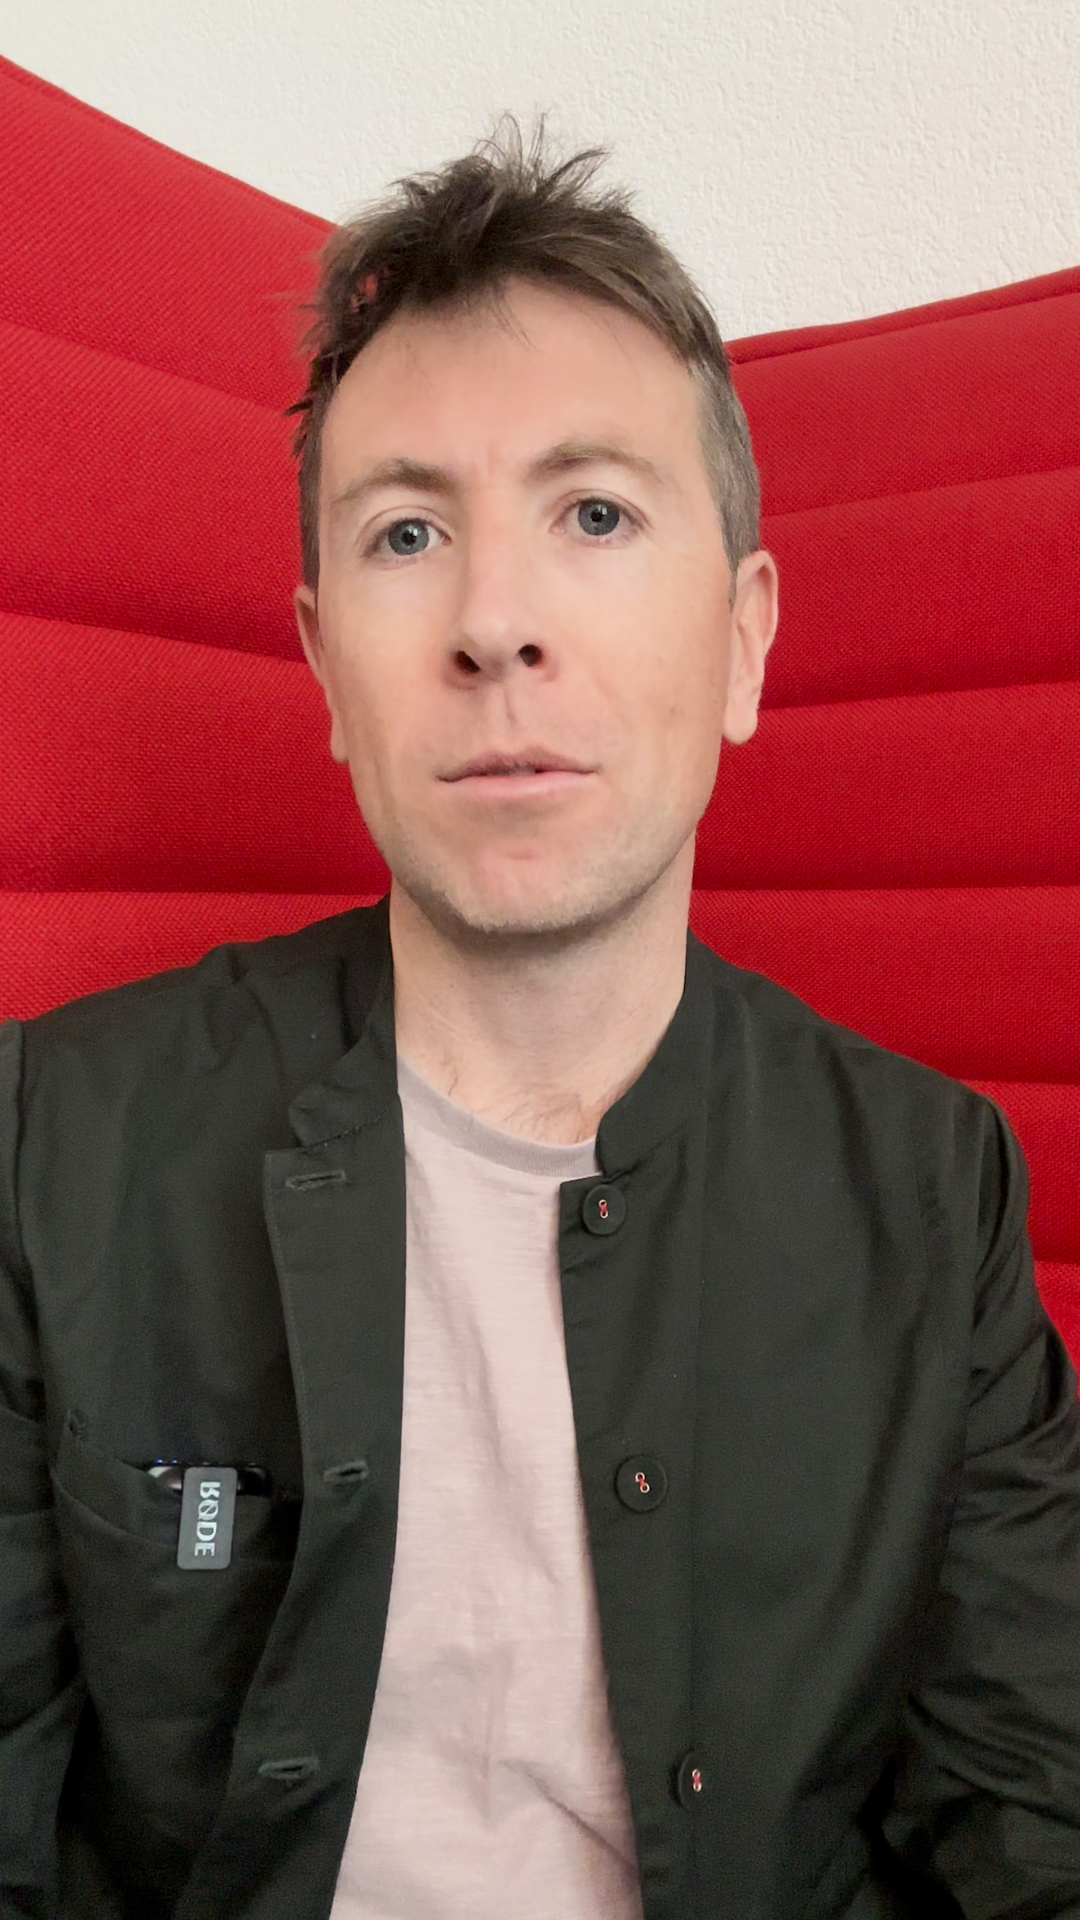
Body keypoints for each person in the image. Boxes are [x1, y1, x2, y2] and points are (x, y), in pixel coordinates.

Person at [2, 111, 1079, 1920]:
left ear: (744, 641)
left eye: (593, 513)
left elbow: (1032, 1818)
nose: (494, 621)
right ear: (325, 663)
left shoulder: (929, 1189)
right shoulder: (51, 1141)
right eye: (408, 531)